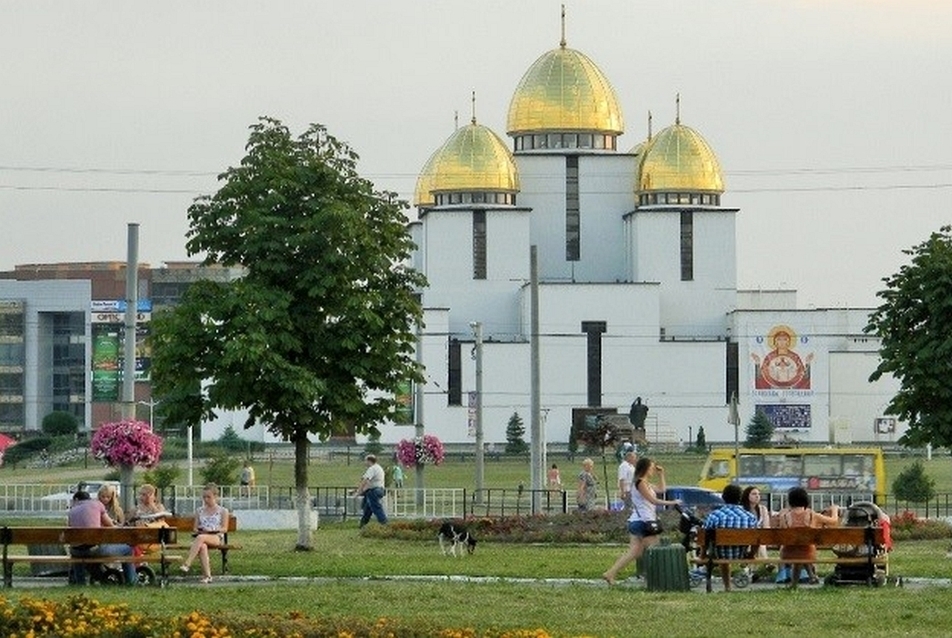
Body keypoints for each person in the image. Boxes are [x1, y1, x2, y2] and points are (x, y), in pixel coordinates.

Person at [602, 457, 680, 585]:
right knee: (656, 549)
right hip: (644, 521)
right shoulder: (640, 483)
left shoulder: (645, 483)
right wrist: (672, 502)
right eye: (651, 468)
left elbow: (662, 490)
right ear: (645, 468)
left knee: (635, 552)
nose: (652, 471)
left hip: (637, 521)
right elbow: (653, 500)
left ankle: (610, 573)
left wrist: (661, 475)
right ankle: (657, 577)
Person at [67, 490, 136, 585]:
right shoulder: (97, 504)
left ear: (76, 499)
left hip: (76, 551)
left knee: (77, 553)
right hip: (94, 549)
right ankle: (131, 581)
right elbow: (111, 525)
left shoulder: (72, 511)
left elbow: (71, 529)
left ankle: (80, 583)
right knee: (128, 549)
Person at [777, 486, 839, 584]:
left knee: (798, 547)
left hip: (787, 553)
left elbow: (782, 534)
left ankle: (795, 584)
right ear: (806, 499)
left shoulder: (784, 516)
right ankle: (811, 576)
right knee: (804, 548)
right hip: (809, 553)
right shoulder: (812, 514)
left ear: (790, 500)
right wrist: (834, 509)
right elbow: (834, 521)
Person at [703, 484, 758, 591]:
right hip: (741, 554)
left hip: (719, 554)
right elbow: (756, 538)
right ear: (741, 498)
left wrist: (703, 554)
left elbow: (704, 535)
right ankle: (727, 587)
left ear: (723, 497)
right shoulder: (750, 517)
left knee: (722, 551)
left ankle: (727, 587)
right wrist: (751, 554)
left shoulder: (715, 515)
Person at [179, 483, 229, 584]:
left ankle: (187, 563)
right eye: (204, 497)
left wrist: (212, 529)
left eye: (208, 497)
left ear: (215, 496)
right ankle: (207, 576)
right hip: (202, 536)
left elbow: (224, 528)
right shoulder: (199, 510)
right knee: (202, 546)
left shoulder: (223, 511)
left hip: (216, 536)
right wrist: (200, 529)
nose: (206, 499)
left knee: (201, 538)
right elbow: (195, 527)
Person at [740, 486, 772, 561]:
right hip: (744, 538)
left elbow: (766, 527)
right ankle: (765, 564)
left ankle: (763, 565)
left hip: (758, 539)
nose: (757, 496)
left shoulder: (762, 509)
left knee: (760, 544)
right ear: (747, 496)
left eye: (758, 494)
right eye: (754, 494)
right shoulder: (741, 509)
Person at [357, 454, 388, 528]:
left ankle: (384, 522)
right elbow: (370, 483)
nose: (365, 462)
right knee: (367, 509)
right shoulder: (379, 468)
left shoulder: (372, 469)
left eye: (365, 461)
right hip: (380, 489)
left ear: (369, 461)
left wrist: (359, 491)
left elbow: (365, 480)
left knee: (376, 507)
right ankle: (362, 524)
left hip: (374, 491)